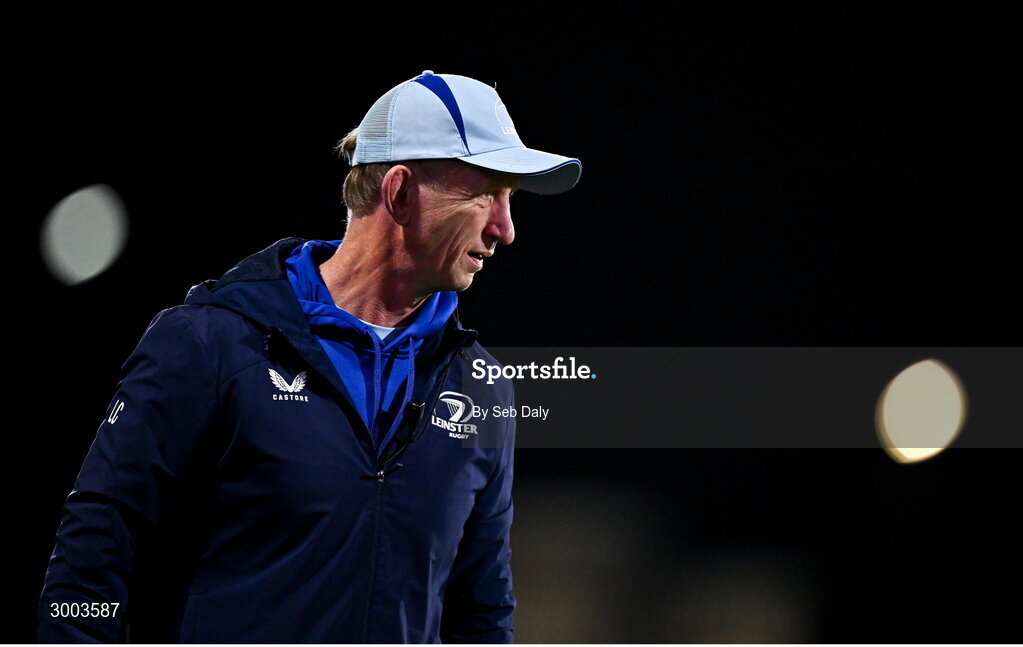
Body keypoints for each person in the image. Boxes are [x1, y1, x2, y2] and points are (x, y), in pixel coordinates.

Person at [38, 70, 581, 643]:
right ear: (399, 192)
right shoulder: (210, 343)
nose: (506, 230)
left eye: (510, 200)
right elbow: (95, 552)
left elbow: (482, 614)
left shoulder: (483, 388)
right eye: (485, 194)